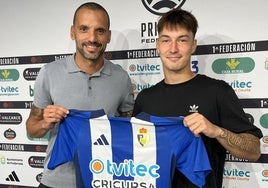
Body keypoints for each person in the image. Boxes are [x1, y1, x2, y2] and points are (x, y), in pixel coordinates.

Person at [132, 8, 263, 188]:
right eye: (166, 40)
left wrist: (216, 131)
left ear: (193, 45)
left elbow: (254, 150)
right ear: (157, 45)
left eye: (182, 40)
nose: (173, 48)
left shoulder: (217, 91)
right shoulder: (145, 99)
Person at [26, 2, 134, 188]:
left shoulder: (121, 78)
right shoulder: (49, 73)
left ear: (108, 36)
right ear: (72, 32)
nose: (92, 38)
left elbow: (129, 130)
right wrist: (44, 123)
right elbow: (31, 128)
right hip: (56, 182)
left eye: (100, 31)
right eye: (84, 29)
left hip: (104, 181)